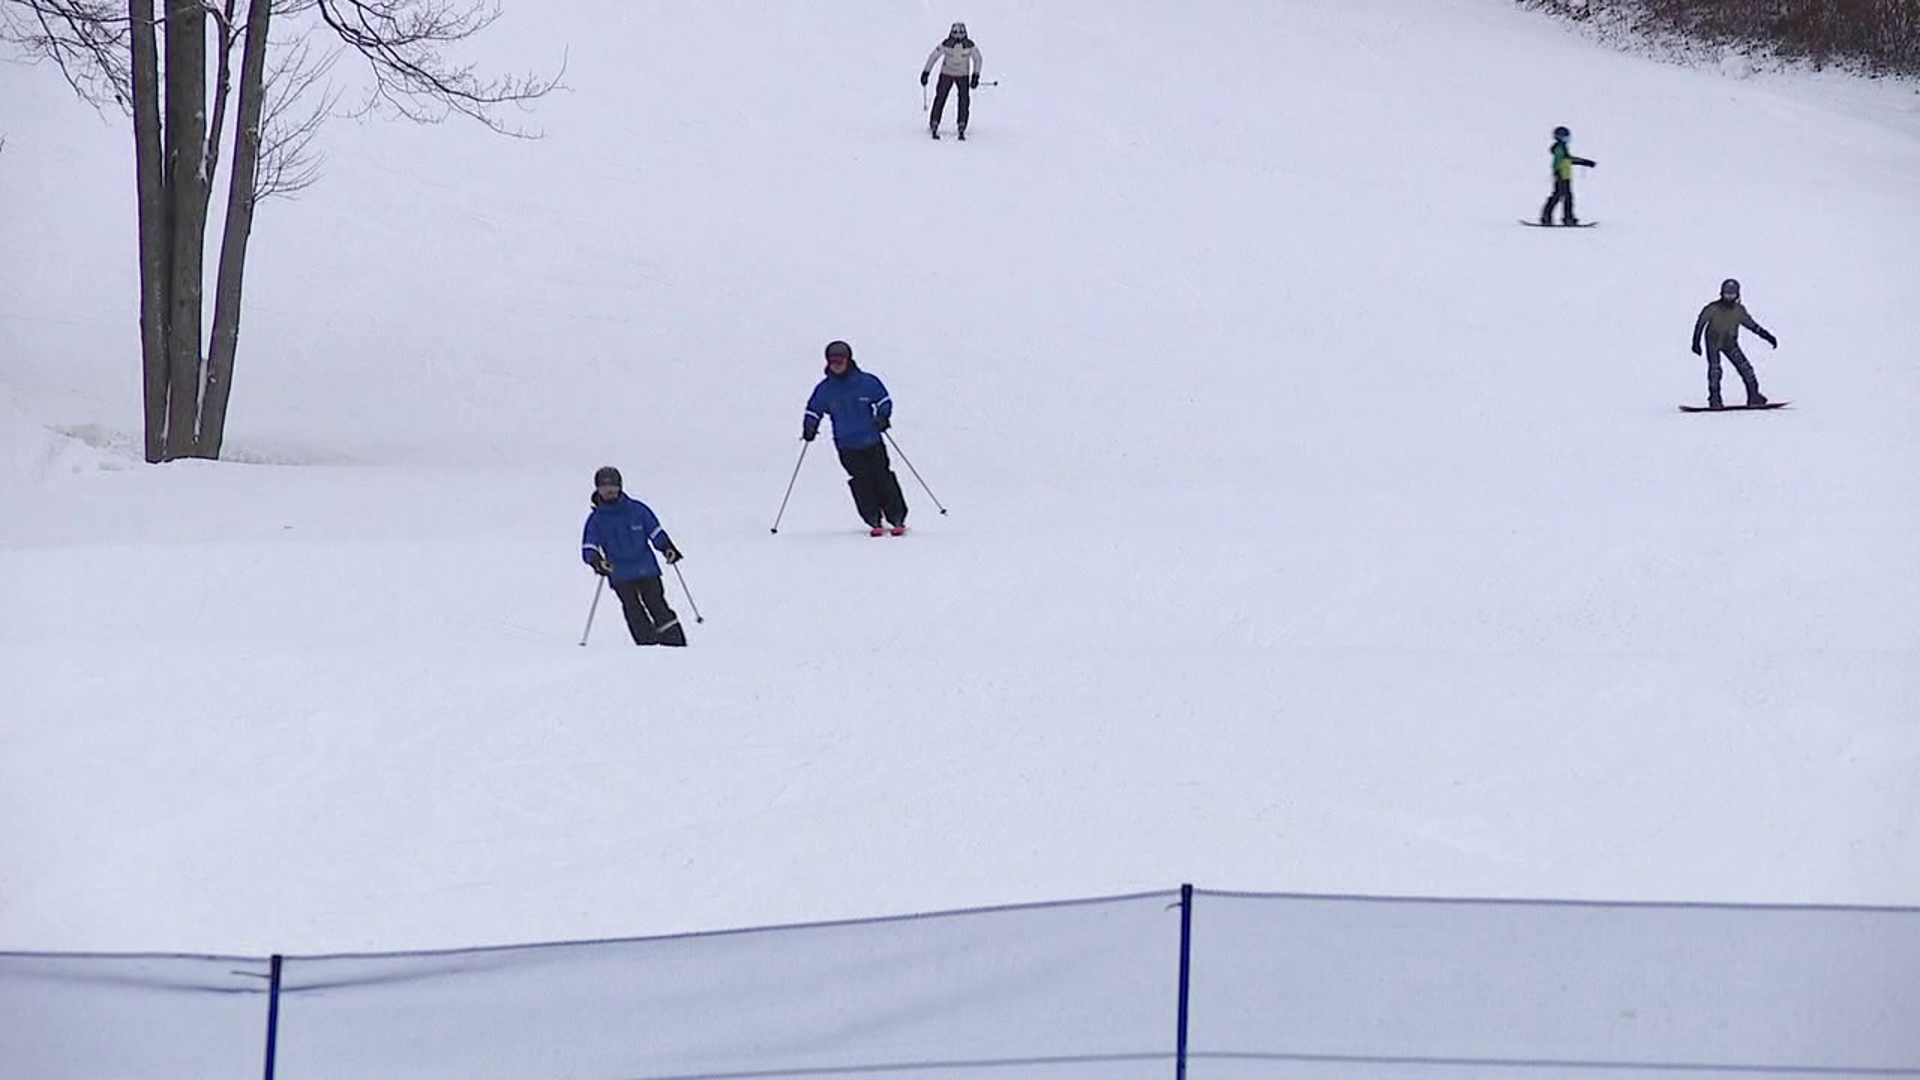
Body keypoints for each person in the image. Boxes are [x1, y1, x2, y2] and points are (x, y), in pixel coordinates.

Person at [802, 340, 910, 535]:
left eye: (840, 360)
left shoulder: (867, 382)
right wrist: (809, 427)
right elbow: (814, 409)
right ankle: (874, 520)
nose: (837, 365)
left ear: (848, 360)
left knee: (882, 477)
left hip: (872, 440)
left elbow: (883, 400)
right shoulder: (825, 389)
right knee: (861, 481)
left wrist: (882, 417)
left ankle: (897, 518)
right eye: (833, 361)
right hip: (846, 444)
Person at [580, 466, 688, 646]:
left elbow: (655, 531)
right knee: (632, 609)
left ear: (620, 487)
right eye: (605, 487)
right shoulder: (596, 519)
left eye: (613, 487)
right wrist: (597, 562)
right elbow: (589, 546)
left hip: (646, 567)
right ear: (597, 489)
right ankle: (647, 643)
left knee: (656, 603)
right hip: (619, 572)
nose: (609, 491)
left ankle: (674, 641)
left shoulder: (637, 510)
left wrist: (667, 548)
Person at [1690, 278, 1777, 409]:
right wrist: (1696, 342)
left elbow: (1751, 325)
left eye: (1732, 295)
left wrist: (1767, 336)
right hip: (1713, 342)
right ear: (1721, 294)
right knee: (1715, 370)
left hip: (1730, 342)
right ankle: (1715, 398)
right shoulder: (1712, 308)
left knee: (1746, 368)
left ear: (1737, 295)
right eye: (1727, 294)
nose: (1729, 297)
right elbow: (1700, 324)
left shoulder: (1739, 310)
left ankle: (1754, 395)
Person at [921, 21, 983, 141]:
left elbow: (978, 59)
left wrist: (976, 76)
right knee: (941, 97)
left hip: (963, 75)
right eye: (955, 34)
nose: (958, 37)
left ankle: (962, 122)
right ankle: (935, 120)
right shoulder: (946, 44)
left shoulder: (969, 45)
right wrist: (926, 72)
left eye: (960, 34)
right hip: (946, 74)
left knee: (963, 100)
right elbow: (934, 56)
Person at [1539, 125, 1596, 226]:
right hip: (1562, 176)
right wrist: (1558, 172)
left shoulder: (1562, 148)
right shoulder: (1559, 148)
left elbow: (1568, 160)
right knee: (1562, 197)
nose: (1568, 139)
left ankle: (1556, 217)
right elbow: (1562, 161)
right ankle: (1560, 218)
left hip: (1565, 176)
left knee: (1563, 197)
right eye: (1566, 137)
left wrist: (1584, 162)